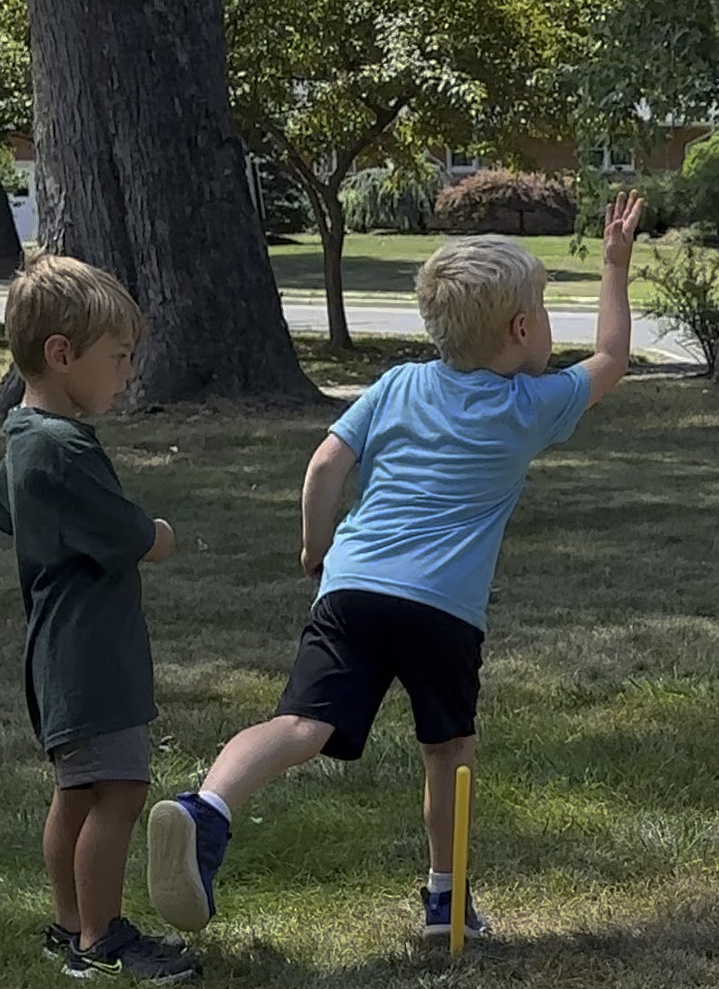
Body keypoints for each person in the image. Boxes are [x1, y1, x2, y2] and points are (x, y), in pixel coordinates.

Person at [147, 199, 642, 941]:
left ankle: (206, 810)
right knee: (448, 751)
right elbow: (611, 359)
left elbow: (323, 466)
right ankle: (447, 901)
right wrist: (613, 265)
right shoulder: (531, 406)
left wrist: (318, 550)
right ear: (519, 330)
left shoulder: (397, 385)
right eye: (540, 309)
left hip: (352, 588)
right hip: (444, 610)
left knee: (301, 723)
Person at [0, 255, 203, 982]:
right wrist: (161, 532)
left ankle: (71, 923)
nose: (126, 374)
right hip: (90, 656)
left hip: (59, 651)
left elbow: (0, 510)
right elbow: (136, 536)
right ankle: (100, 939)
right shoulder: (63, 447)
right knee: (120, 791)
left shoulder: (22, 437)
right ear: (60, 354)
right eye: (117, 359)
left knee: (78, 791)